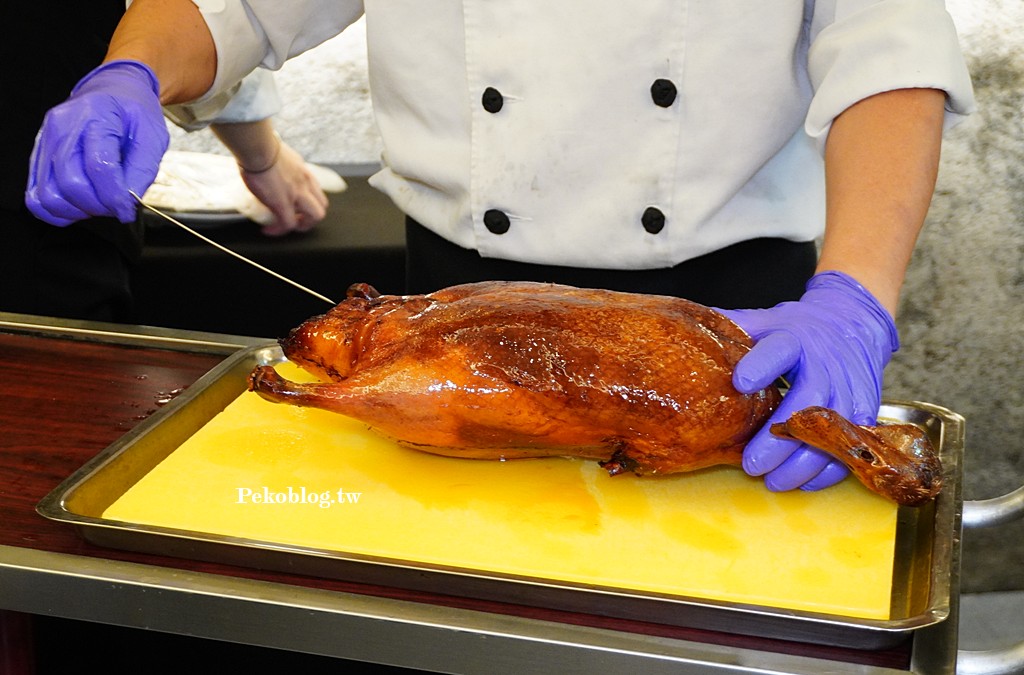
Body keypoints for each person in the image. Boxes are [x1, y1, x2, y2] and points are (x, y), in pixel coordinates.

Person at [23, 0, 974, 494]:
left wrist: (856, 294)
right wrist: (132, 69)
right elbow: (231, 7)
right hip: (451, 311)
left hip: (731, 316)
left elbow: (888, 50)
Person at [0, 2, 328, 324]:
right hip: (43, 208)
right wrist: (259, 152)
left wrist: (133, 72)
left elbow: (223, 14)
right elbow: (223, 13)